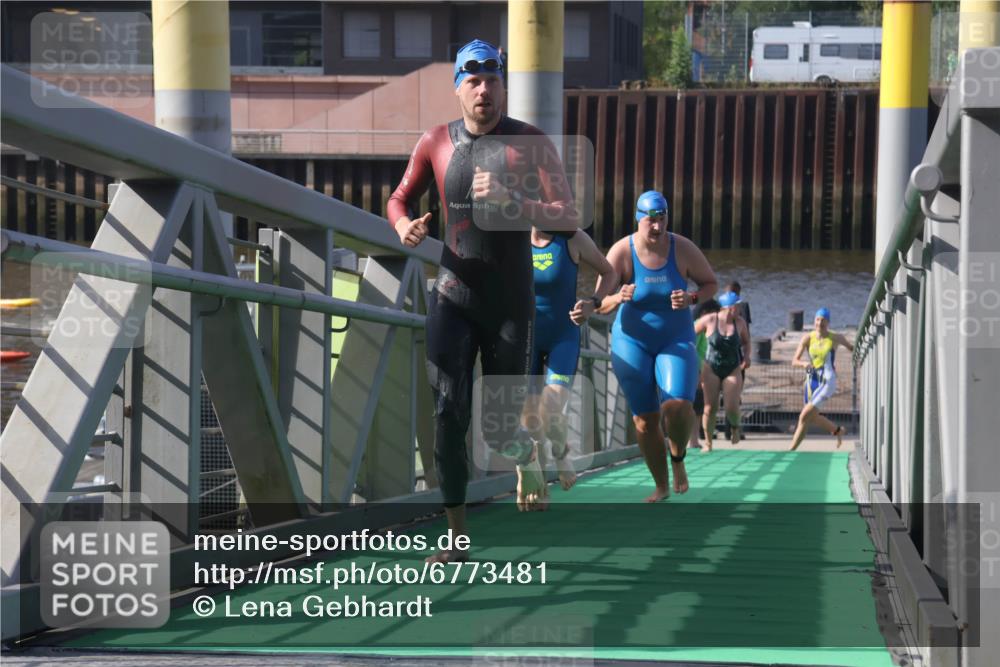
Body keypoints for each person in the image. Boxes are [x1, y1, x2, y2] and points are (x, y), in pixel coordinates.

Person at [387, 39, 579, 560]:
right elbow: (399, 198)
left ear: (503, 86)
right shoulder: (435, 141)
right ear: (458, 89)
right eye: (473, 81)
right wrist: (404, 226)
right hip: (452, 294)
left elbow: (567, 216)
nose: (483, 91)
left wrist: (514, 199)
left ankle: (525, 452)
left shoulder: (531, 142)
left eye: (492, 80)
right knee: (447, 415)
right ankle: (456, 538)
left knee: (498, 431)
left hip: (510, 304)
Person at [597, 191, 717, 502]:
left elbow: (710, 284)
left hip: (674, 338)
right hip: (631, 341)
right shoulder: (622, 251)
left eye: (662, 218)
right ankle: (661, 485)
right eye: (651, 219)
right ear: (638, 219)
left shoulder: (682, 248)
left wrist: (691, 298)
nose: (657, 226)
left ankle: (678, 458)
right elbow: (599, 303)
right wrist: (618, 297)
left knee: (677, 405)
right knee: (645, 419)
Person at [522, 227, 617, 491]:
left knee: (550, 407)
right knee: (530, 420)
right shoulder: (515, 237)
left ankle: (561, 452)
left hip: (562, 337)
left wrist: (593, 302)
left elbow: (609, 272)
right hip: (527, 337)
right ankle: (538, 484)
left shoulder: (572, 238)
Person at [789, 307, 854, 450]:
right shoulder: (807, 338)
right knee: (811, 417)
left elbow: (852, 348)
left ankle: (791, 450)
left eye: (823, 320)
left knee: (803, 416)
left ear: (828, 322)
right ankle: (838, 430)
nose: (820, 323)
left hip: (827, 381)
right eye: (817, 319)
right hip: (811, 380)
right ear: (814, 321)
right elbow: (794, 360)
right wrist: (804, 364)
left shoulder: (835, 337)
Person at [695, 291, 751, 453]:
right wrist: (691, 358)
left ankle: (735, 427)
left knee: (731, 407)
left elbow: (746, 342)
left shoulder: (740, 323)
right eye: (738, 306)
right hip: (711, 367)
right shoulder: (710, 320)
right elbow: (688, 334)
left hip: (732, 368)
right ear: (729, 307)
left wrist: (747, 356)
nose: (740, 309)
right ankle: (708, 443)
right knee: (709, 408)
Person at [688, 298, 720, 451]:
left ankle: (695, 440)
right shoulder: (699, 325)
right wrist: (698, 371)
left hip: (705, 370)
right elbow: (692, 348)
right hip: (698, 371)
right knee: (695, 406)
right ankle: (692, 440)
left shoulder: (709, 325)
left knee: (699, 407)